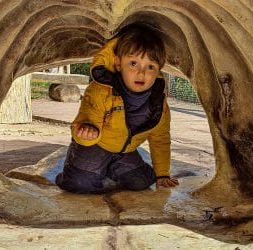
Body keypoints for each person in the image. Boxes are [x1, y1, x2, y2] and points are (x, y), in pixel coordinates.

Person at [55, 23, 179, 194]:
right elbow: (85, 119)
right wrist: (87, 133)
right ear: (118, 63)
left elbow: (160, 139)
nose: (141, 73)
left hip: (124, 152)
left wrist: (162, 174)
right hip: (95, 145)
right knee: (80, 184)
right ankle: (78, 166)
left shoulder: (159, 105)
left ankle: (110, 167)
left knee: (142, 182)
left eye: (150, 67)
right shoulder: (101, 90)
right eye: (134, 63)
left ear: (158, 70)